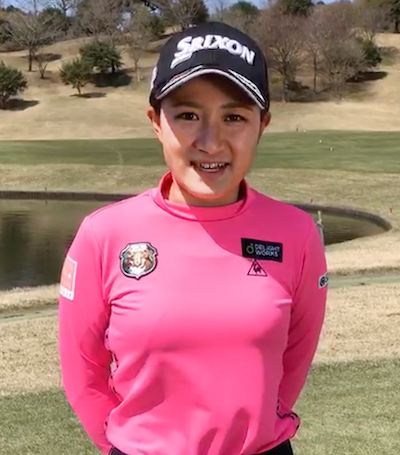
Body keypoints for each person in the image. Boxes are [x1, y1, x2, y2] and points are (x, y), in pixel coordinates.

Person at [58, 21, 328, 455]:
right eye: (187, 116)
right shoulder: (102, 235)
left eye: (234, 117)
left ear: (262, 125)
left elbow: (294, 362)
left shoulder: (296, 235)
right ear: (156, 123)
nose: (210, 142)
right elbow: (83, 374)